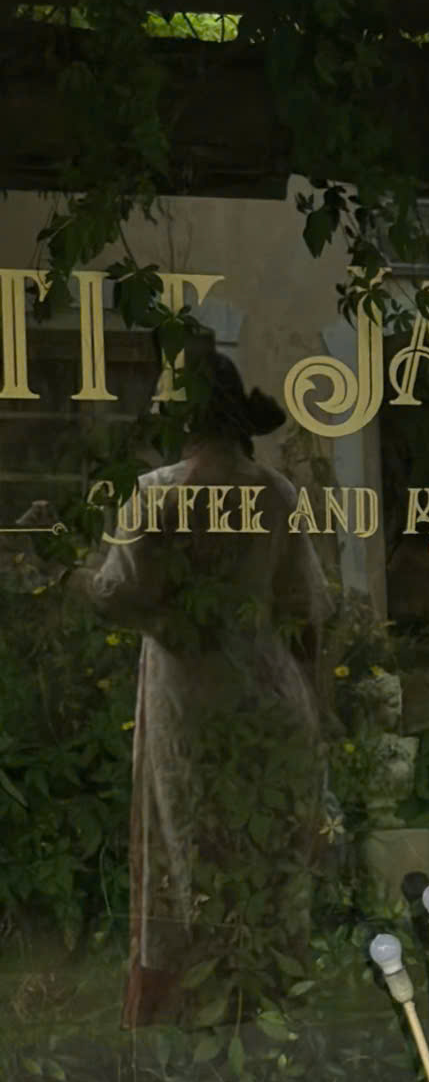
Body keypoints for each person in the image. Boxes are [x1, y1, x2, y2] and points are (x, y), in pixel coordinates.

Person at [76, 346, 333, 1027]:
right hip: (269, 695)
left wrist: (78, 577)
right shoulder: (275, 493)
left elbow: (113, 594)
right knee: (261, 852)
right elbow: (306, 615)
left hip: (191, 699)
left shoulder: (160, 493)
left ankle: (204, 1011)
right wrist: (317, 713)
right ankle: (261, 1004)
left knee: (189, 845)